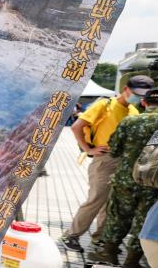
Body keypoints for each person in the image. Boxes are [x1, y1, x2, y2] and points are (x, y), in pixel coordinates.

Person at [88, 86, 158, 268]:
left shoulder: (129, 121)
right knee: (143, 220)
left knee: (117, 217)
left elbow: (115, 149)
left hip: (125, 179)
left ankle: (109, 255)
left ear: (144, 102)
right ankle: (132, 261)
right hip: (154, 184)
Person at [60, 76, 149, 251]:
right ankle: (71, 235)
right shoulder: (105, 105)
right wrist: (88, 149)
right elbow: (76, 126)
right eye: (136, 93)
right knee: (96, 199)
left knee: (110, 203)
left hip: (124, 161)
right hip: (105, 159)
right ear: (125, 89)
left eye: (142, 95)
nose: (138, 98)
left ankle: (99, 238)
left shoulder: (133, 111)